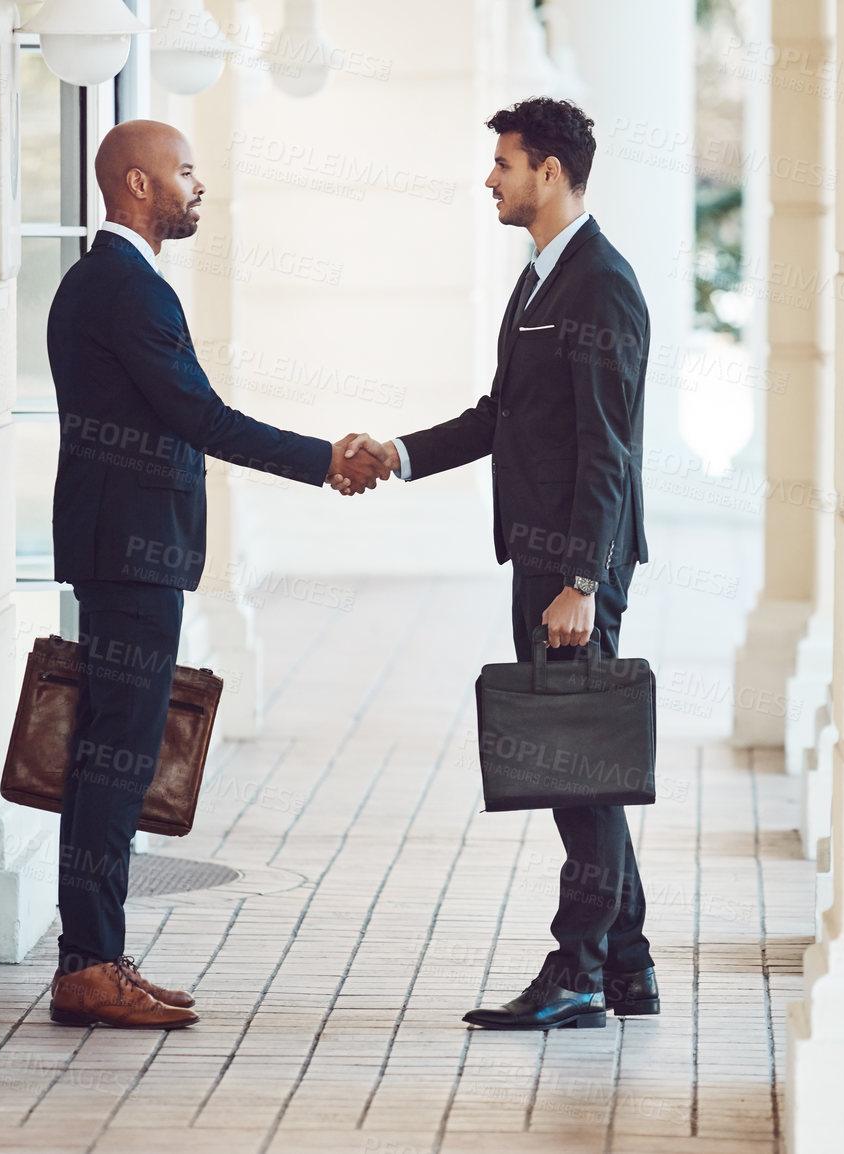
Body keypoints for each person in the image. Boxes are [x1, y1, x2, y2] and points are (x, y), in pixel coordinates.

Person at [45, 119, 385, 1029]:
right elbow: (202, 416)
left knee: (109, 753)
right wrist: (326, 459)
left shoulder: (105, 282)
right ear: (138, 186)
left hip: (122, 551)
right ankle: (88, 966)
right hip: (130, 554)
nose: (201, 188)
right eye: (186, 173)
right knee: (114, 756)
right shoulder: (124, 288)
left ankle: (96, 955)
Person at [341, 98, 658, 1030]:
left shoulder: (599, 283)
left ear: (550, 172)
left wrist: (586, 584)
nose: (491, 178)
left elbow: (610, 449)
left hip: (573, 570)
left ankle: (579, 973)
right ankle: (626, 967)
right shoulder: (539, 281)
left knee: (574, 770)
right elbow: (501, 416)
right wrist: (397, 452)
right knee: (581, 761)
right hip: (544, 559)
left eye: (505, 163)